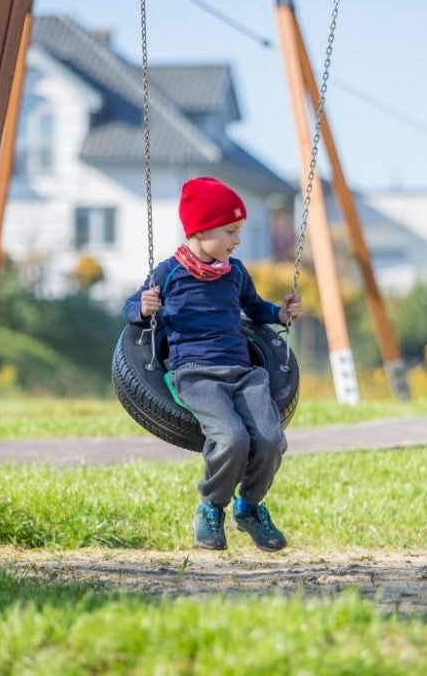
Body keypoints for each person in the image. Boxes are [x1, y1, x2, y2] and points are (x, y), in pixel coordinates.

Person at [123, 177, 303, 552]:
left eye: (238, 231)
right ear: (202, 230)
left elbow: (255, 310)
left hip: (244, 372)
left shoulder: (234, 272)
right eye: (231, 231)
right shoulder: (168, 274)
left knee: (271, 439)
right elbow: (131, 309)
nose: (238, 240)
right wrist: (143, 309)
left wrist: (281, 314)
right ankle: (211, 507)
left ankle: (250, 507)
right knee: (232, 438)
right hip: (195, 374)